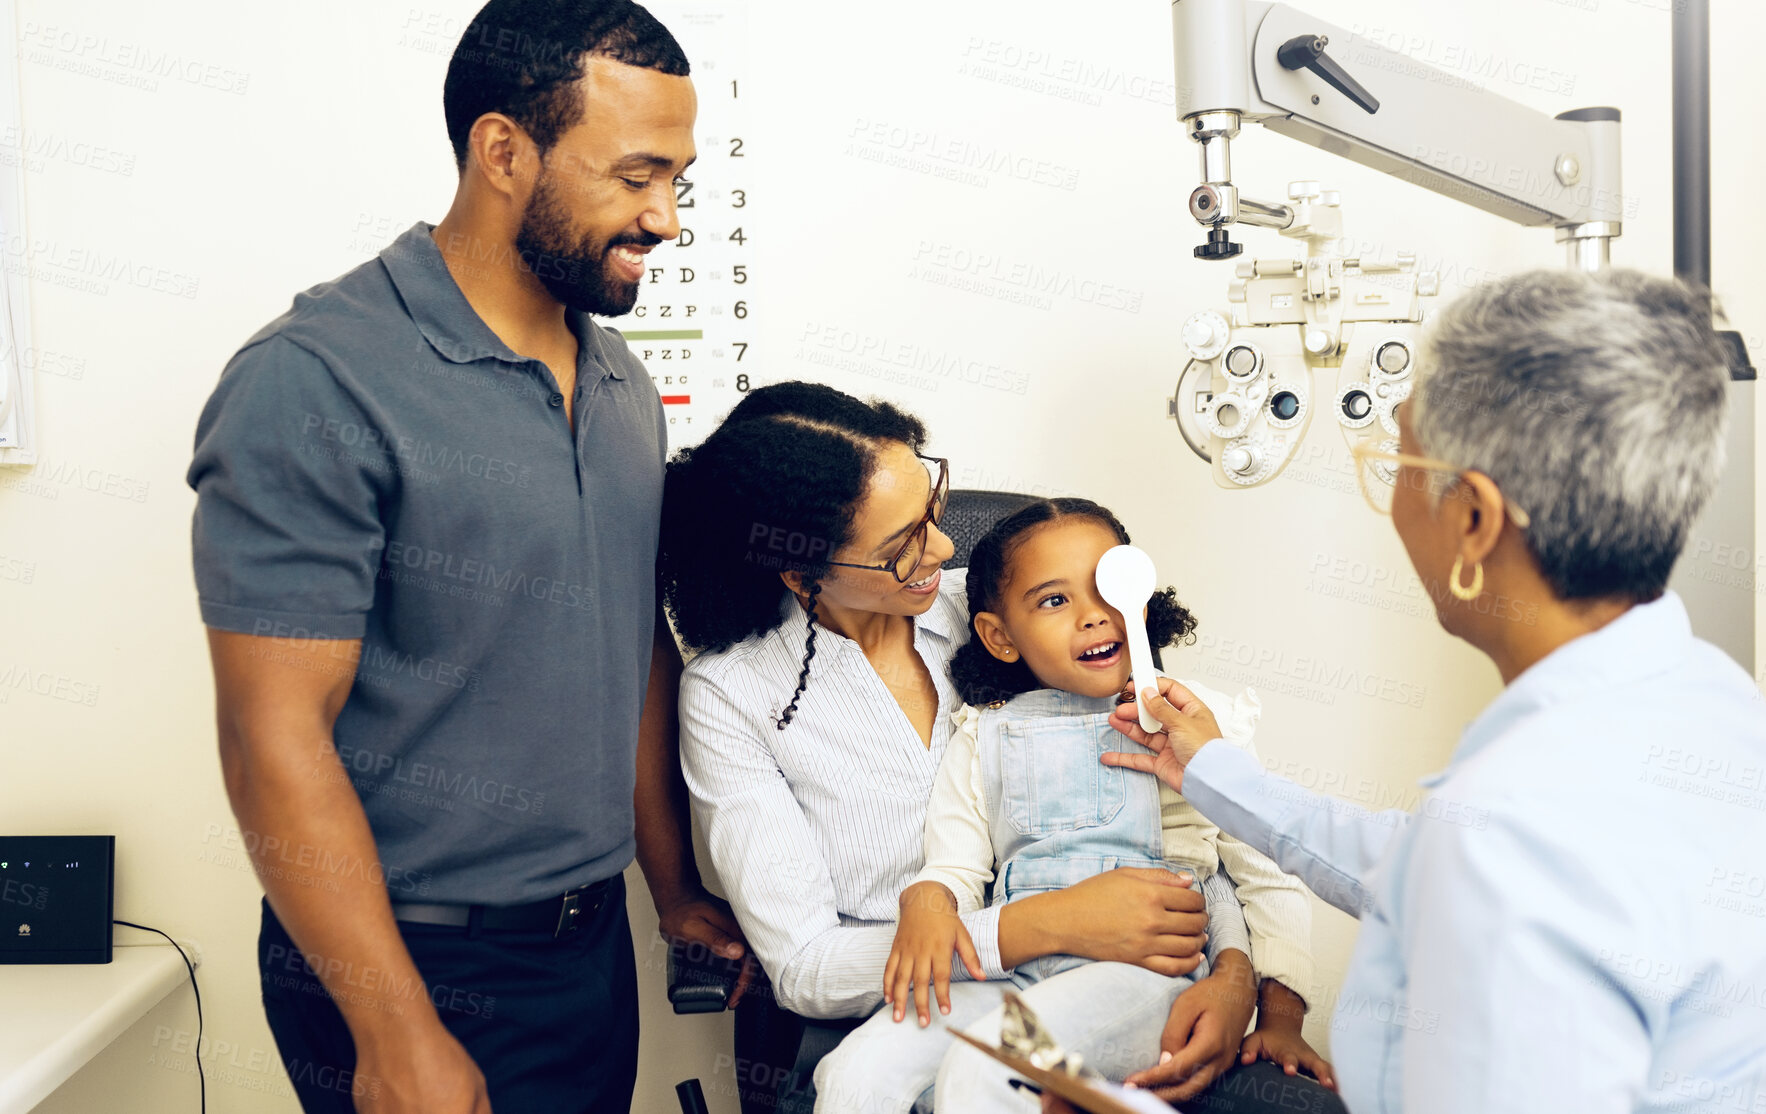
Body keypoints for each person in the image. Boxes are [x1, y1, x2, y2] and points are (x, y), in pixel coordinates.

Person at [187, 4, 746, 1111]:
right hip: (406, 968)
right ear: (503, 151)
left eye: (678, 178)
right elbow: (270, 737)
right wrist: (392, 1032)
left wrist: (672, 888)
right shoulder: (314, 379)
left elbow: (629, 650)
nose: (667, 217)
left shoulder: (624, 385)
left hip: (586, 959)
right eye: (636, 176)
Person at [1102, 269, 1766, 1111]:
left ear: (1472, 520)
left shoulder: (1514, 827)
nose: (1391, 494)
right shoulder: (1707, 695)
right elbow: (1423, 860)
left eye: (1397, 455)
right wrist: (1211, 770)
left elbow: (1489, 863)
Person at [664, 383, 1220, 1111]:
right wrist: (1034, 926)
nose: (945, 547)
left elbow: (1185, 812)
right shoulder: (730, 695)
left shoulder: (1014, 609)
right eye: (900, 548)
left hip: (1106, 983)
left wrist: (1237, 979)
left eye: (931, 508)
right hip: (894, 1015)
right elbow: (805, 966)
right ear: (803, 575)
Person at [838, 497, 1339, 1114]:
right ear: (999, 638)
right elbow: (955, 869)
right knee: (853, 1075)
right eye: (1054, 600)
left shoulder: (1199, 723)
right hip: (1013, 977)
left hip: (1148, 982)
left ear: (1141, 603)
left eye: (1109, 590)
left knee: (987, 1066)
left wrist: (1281, 1018)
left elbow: (1268, 875)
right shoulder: (982, 734)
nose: (1093, 617)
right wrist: (928, 899)